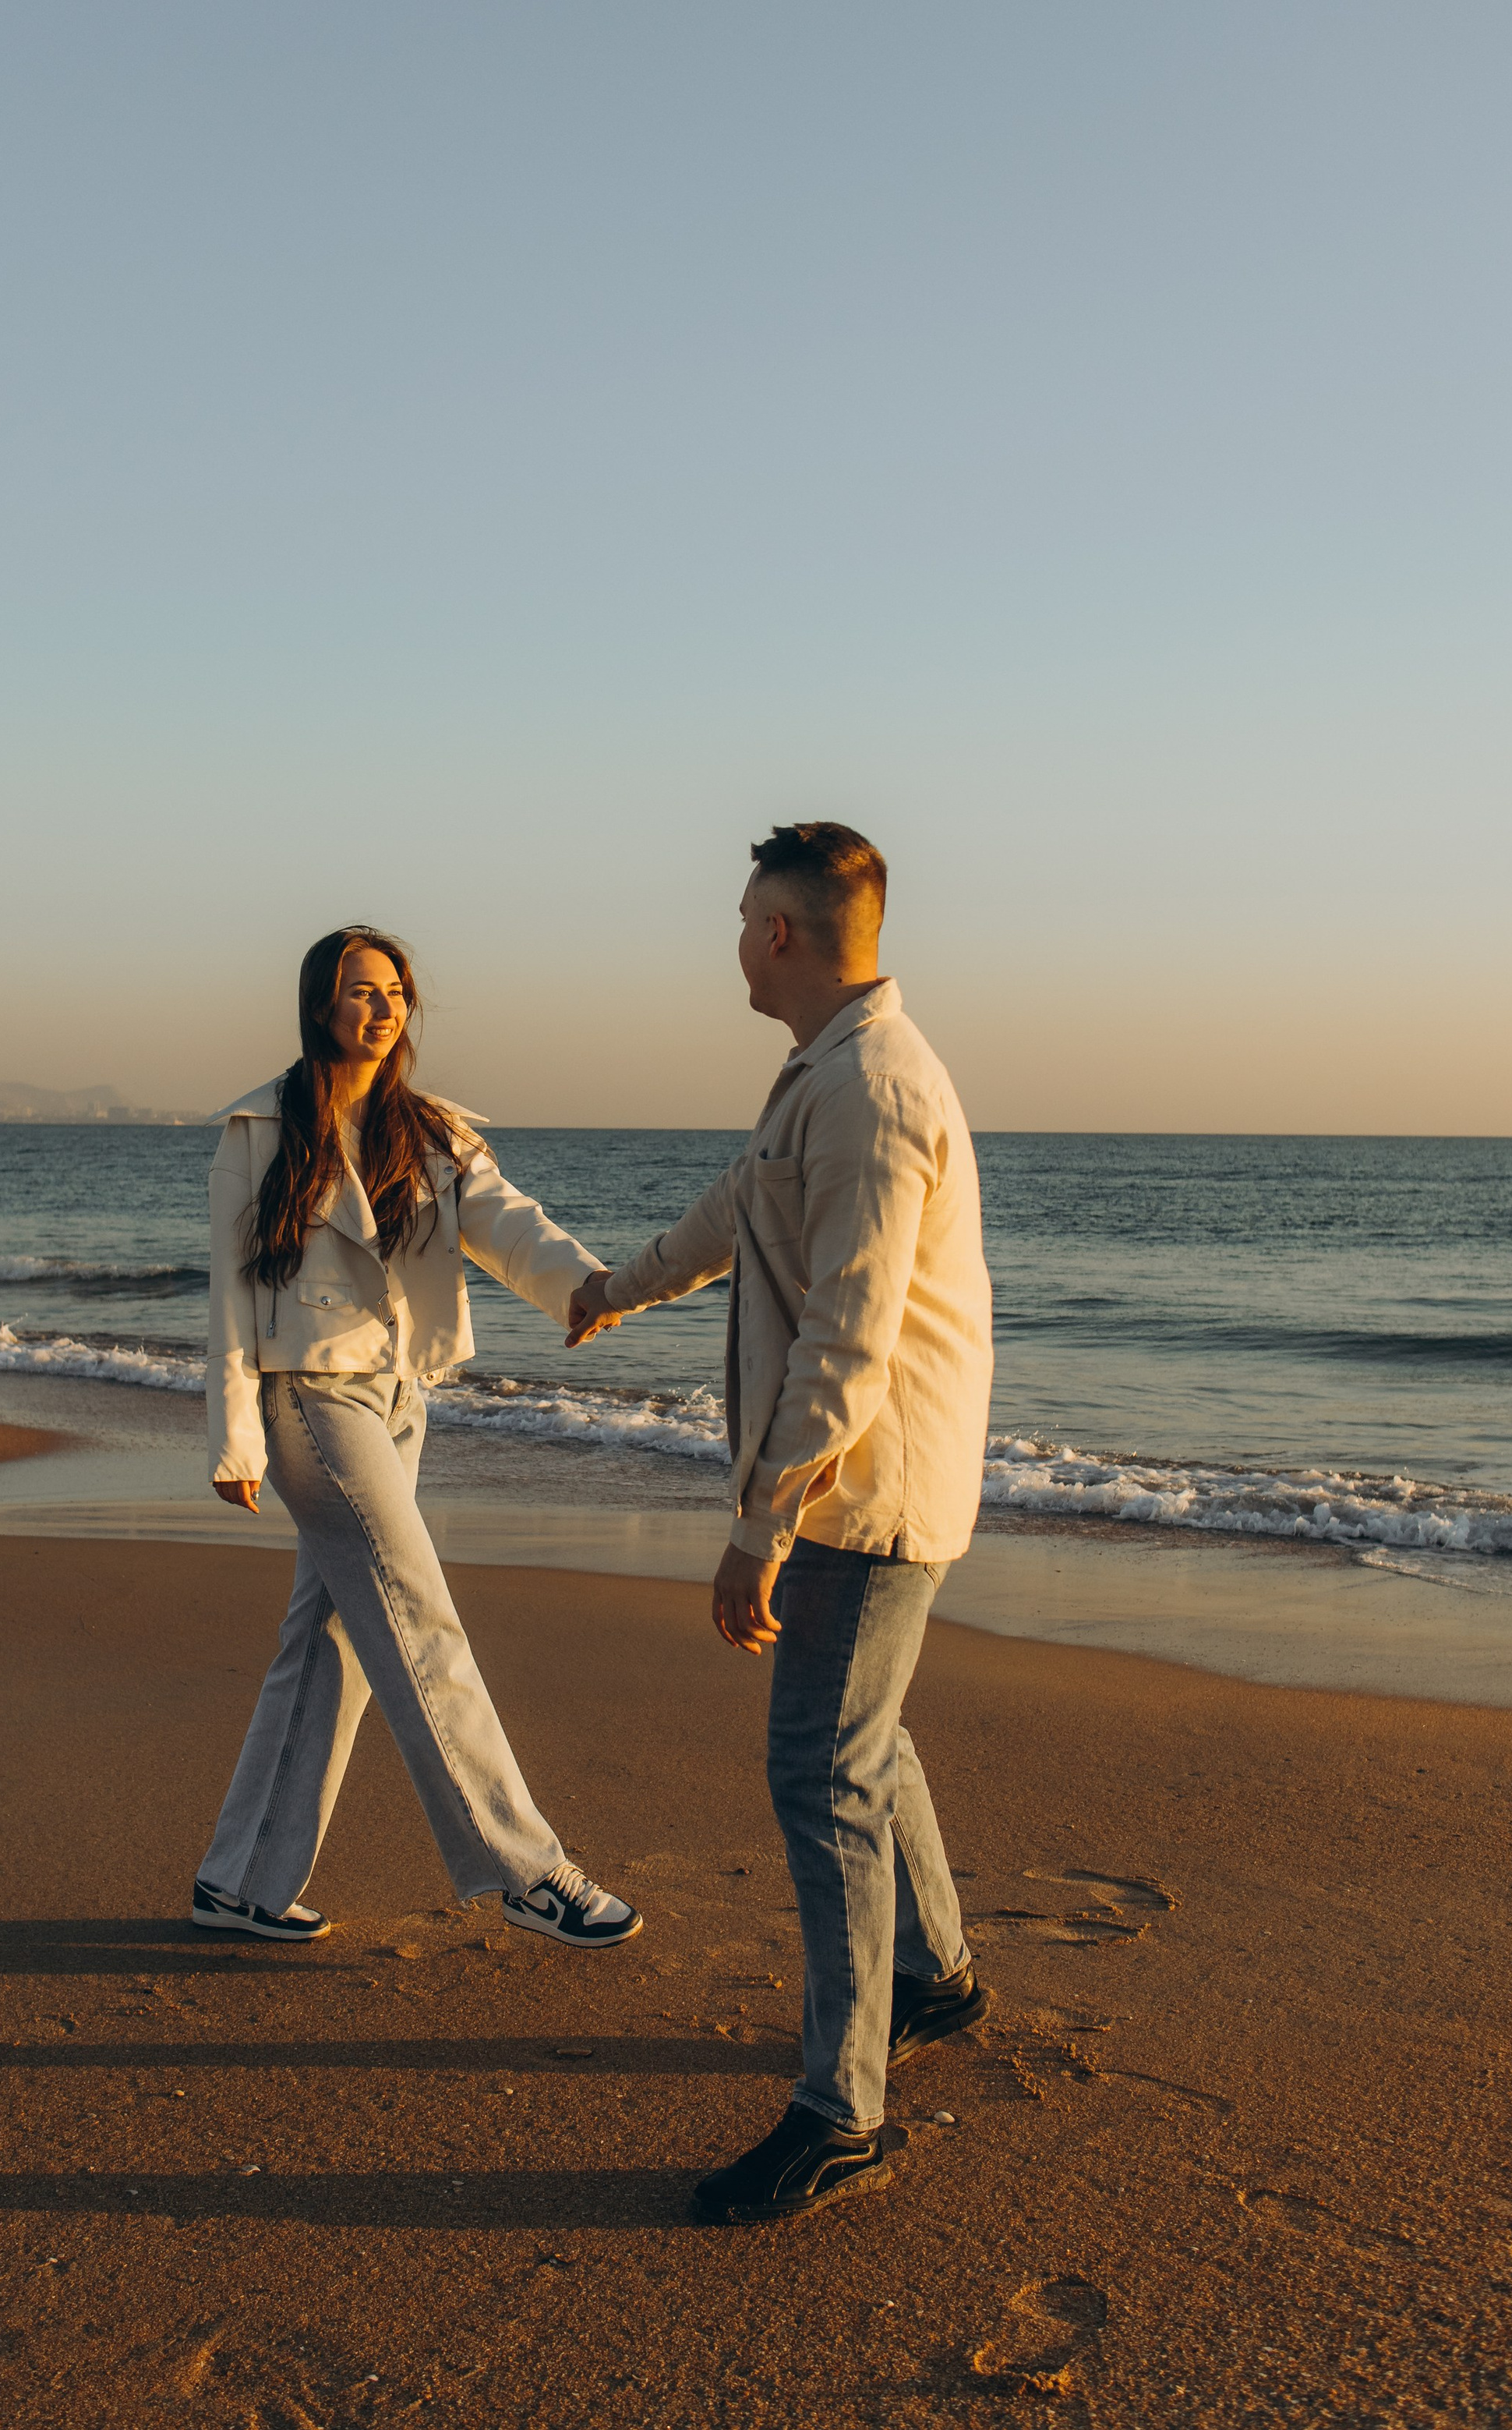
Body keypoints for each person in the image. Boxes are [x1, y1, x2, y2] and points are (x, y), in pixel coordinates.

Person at [566, 822, 994, 2221]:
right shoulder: (823, 1072)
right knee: (862, 1739)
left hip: (862, 1497)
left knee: (822, 1773)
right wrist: (618, 1286)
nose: (735, 937)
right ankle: (931, 1974)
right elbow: (739, 1213)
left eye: (745, 915)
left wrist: (761, 1525)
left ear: (783, 936)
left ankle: (841, 2109)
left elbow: (849, 1343)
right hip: (855, 1490)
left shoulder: (872, 1090)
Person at [194, 923, 641, 1954]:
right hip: (309, 1395)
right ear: (321, 1004)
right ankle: (525, 1865)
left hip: (401, 1400)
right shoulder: (261, 1131)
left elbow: (505, 1218)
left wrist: (580, 1281)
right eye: (360, 990)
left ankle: (241, 1881)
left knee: (334, 1640)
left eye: (394, 991)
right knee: (416, 1612)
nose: (381, 1007)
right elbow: (228, 1297)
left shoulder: (431, 1129)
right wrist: (235, 1441)